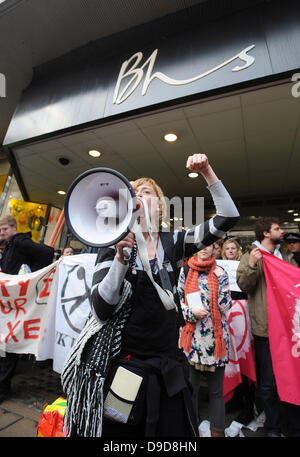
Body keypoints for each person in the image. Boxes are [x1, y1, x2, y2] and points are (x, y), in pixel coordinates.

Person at [62, 153, 240, 437]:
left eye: (146, 192)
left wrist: (207, 171)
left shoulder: (174, 241)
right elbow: (101, 309)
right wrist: (120, 258)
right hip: (126, 369)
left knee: (173, 434)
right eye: (132, 192)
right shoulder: (111, 244)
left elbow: (228, 217)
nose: (137, 195)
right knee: (119, 434)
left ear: (160, 206)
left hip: (169, 366)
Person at [236, 217, 300, 437]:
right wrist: (252, 266)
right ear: (265, 233)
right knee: (268, 383)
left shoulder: (286, 257)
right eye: (277, 228)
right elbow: (244, 285)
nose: (281, 232)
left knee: (292, 378)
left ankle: (293, 427)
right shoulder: (251, 257)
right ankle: (272, 428)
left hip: (289, 329)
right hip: (265, 329)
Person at [178, 244, 232, 437]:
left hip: (215, 342)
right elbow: (177, 303)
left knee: (216, 392)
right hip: (191, 341)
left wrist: (221, 278)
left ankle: (217, 433)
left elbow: (226, 308)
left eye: (209, 245)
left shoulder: (221, 272)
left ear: (215, 248)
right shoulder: (185, 270)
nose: (204, 248)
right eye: (200, 244)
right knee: (191, 390)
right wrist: (190, 312)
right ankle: (191, 431)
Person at [0, 215, 54, 403]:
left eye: (4, 229)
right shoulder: (11, 245)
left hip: (18, 302)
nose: (2, 233)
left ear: (14, 227)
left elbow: (48, 252)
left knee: (9, 346)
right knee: (5, 345)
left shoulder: (20, 242)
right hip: (12, 302)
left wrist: (31, 279)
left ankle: (3, 388)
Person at [221, 238, 256, 425]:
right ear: (224, 251)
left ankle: (248, 406)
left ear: (238, 250)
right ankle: (234, 399)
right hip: (226, 319)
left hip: (243, 319)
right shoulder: (218, 268)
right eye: (228, 248)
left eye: (233, 248)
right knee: (229, 362)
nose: (231, 250)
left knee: (245, 361)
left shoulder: (244, 268)